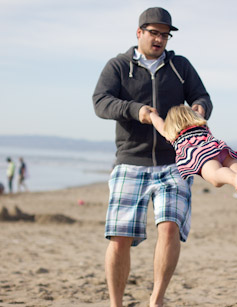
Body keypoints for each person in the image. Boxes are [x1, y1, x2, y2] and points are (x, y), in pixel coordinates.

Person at [93, 7, 212, 307]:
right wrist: (137, 110)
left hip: (175, 162)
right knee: (119, 237)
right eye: (154, 33)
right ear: (139, 33)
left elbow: (202, 96)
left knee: (170, 226)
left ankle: (156, 300)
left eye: (165, 34)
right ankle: (115, 304)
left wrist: (198, 110)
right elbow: (101, 102)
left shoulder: (180, 66)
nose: (159, 39)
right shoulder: (118, 66)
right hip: (130, 161)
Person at [150, 105, 237, 200]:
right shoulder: (201, 123)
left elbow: (158, 123)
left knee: (216, 177)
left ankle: (234, 179)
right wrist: (196, 109)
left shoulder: (171, 133)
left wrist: (152, 115)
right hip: (220, 148)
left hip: (200, 154)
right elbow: (200, 110)